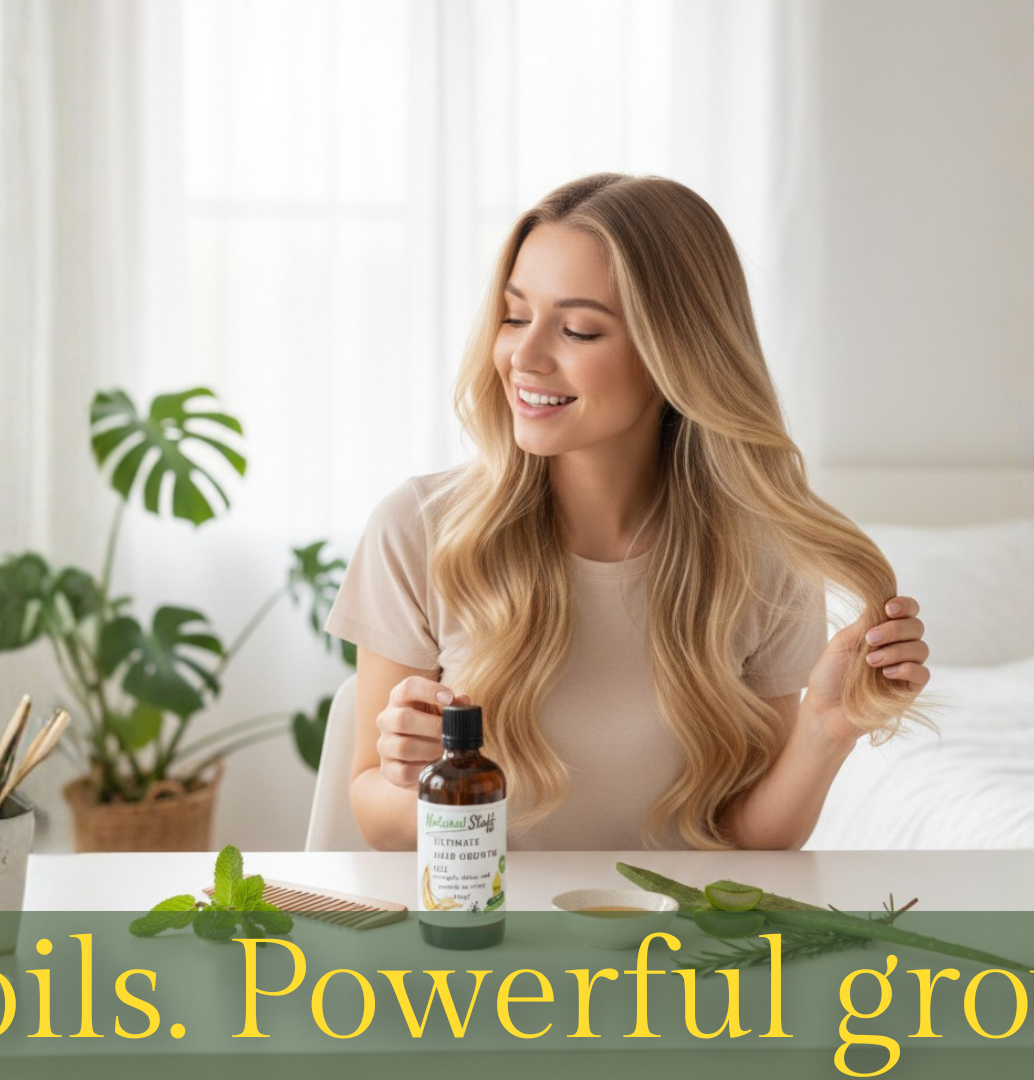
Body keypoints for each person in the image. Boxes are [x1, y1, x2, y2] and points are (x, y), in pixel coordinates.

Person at [324, 172, 930, 852]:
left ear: (676, 353)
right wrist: (424, 784)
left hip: (670, 922)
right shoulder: (419, 528)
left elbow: (747, 839)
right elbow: (373, 812)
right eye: (515, 317)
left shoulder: (764, 556)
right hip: (489, 916)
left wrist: (826, 728)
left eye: (579, 330)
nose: (524, 356)